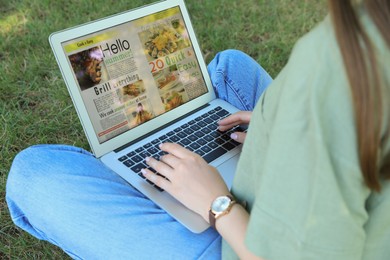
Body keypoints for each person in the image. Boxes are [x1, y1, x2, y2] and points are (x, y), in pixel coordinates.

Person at [6, 0, 389, 259]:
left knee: (34, 174)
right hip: (288, 188)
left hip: (237, 243)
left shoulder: (347, 63)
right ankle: (162, 178)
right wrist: (284, 129)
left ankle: (150, 189)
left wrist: (217, 204)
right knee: (230, 67)